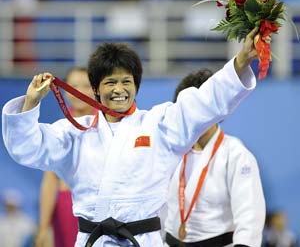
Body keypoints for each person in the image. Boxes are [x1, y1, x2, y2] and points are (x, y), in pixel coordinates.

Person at [2, 27, 261, 247]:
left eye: (126, 82)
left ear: (136, 86)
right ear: (95, 90)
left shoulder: (158, 124)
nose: (119, 90)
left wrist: (241, 62)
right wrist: (30, 104)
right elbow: (27, 148)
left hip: (143, 240)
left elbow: (204, 102)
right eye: (110, 83)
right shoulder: (75, 132)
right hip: (94, 240)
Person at [163, 68, 266, 247]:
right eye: (187, 110)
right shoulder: (170, 150)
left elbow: (250, 217)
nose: (194, 116)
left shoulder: (235, 154)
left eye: (200, 108)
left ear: (216, 109)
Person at [35, 67, 94, 247]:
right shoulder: (59, 129)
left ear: (96, 89)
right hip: (66, 207)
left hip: (98, 205)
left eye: (86, 85)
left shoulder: (108, 125)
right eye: (73, 86)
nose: (79, 91)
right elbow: (49, 181)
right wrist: (43, 228)